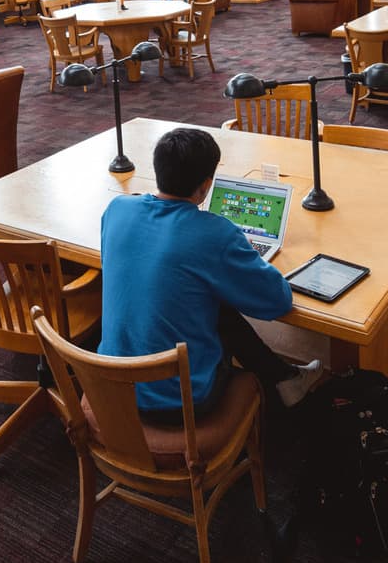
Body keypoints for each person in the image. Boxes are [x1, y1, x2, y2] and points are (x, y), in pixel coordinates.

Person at [98, 127, 323, 421]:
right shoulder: (215, 233)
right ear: (206, 186)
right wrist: (243, 254)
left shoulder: (117, 208)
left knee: (206, 302)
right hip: (180, 403)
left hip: (110, 383)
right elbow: (279, 301)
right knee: (219, 309)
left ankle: (285, 377)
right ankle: (284, 381)